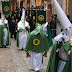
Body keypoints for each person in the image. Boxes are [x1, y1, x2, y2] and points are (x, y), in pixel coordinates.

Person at [46, 0, 72, 72]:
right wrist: (58, 44)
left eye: (68, 28)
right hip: (60, 62)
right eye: (65, 29)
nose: (67, 30)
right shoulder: (61, 35)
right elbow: (55, 49)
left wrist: (67, 46)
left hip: (68, 64)